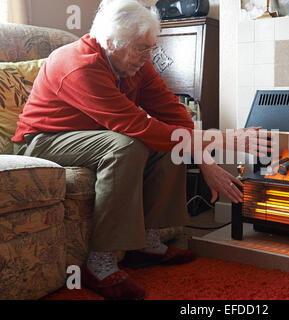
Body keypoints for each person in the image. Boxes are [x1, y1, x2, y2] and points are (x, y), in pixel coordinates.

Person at [12, 0, 272, 300]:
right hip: (44, 140)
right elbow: (137, 127)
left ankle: (148, 245)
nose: (149, 56)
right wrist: (223, 140)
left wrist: (206, 163)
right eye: (141, 48)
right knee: (127, 145)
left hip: (93, 136)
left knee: (167, 142)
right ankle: (100, 263)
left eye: (151, 47)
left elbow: (175, 116)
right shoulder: (79, 64)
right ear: (111, 42)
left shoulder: (137, 64)